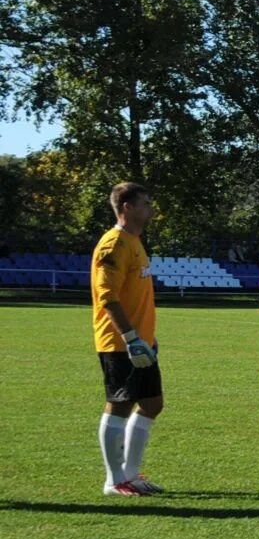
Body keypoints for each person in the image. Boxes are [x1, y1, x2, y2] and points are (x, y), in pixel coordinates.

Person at [89, 182, 164, 496]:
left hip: (142, 342)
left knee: (151, 404)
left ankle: (131, 475)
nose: (150, 208)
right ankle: (114, 480)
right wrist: (131, 338)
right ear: (127, 207)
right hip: (121, 342)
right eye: (145, 203)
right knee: (118, 405)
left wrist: (147, 338)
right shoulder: (114, 244)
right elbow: (108, 297)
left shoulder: (135, 242)